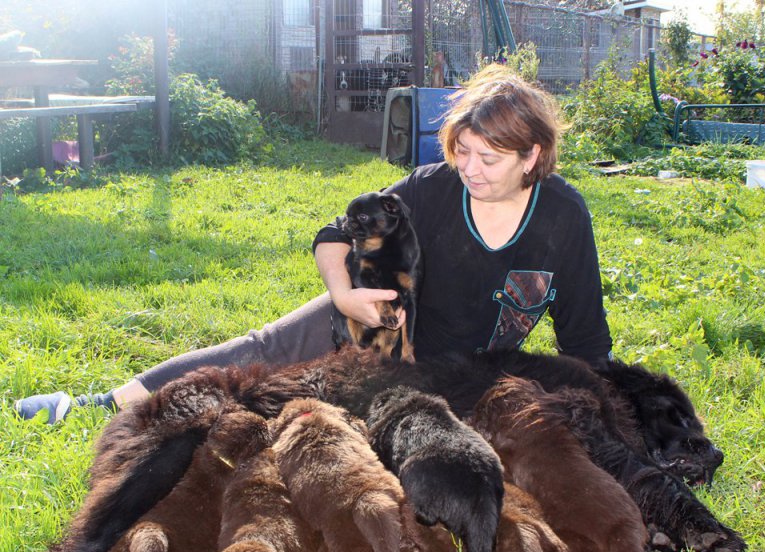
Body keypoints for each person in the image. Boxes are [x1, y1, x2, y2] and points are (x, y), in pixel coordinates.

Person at [14, 65, 612, 424]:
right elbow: (333, 235)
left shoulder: (562, 218)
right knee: (261, 351)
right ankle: (102, 403)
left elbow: (585, 341)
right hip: (370, 326)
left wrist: (610, 411)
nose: (470, 169)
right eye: (462, 151)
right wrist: (345, 296)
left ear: (532, 155)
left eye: (490, 158)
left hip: (462, 385)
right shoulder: (430, 189)